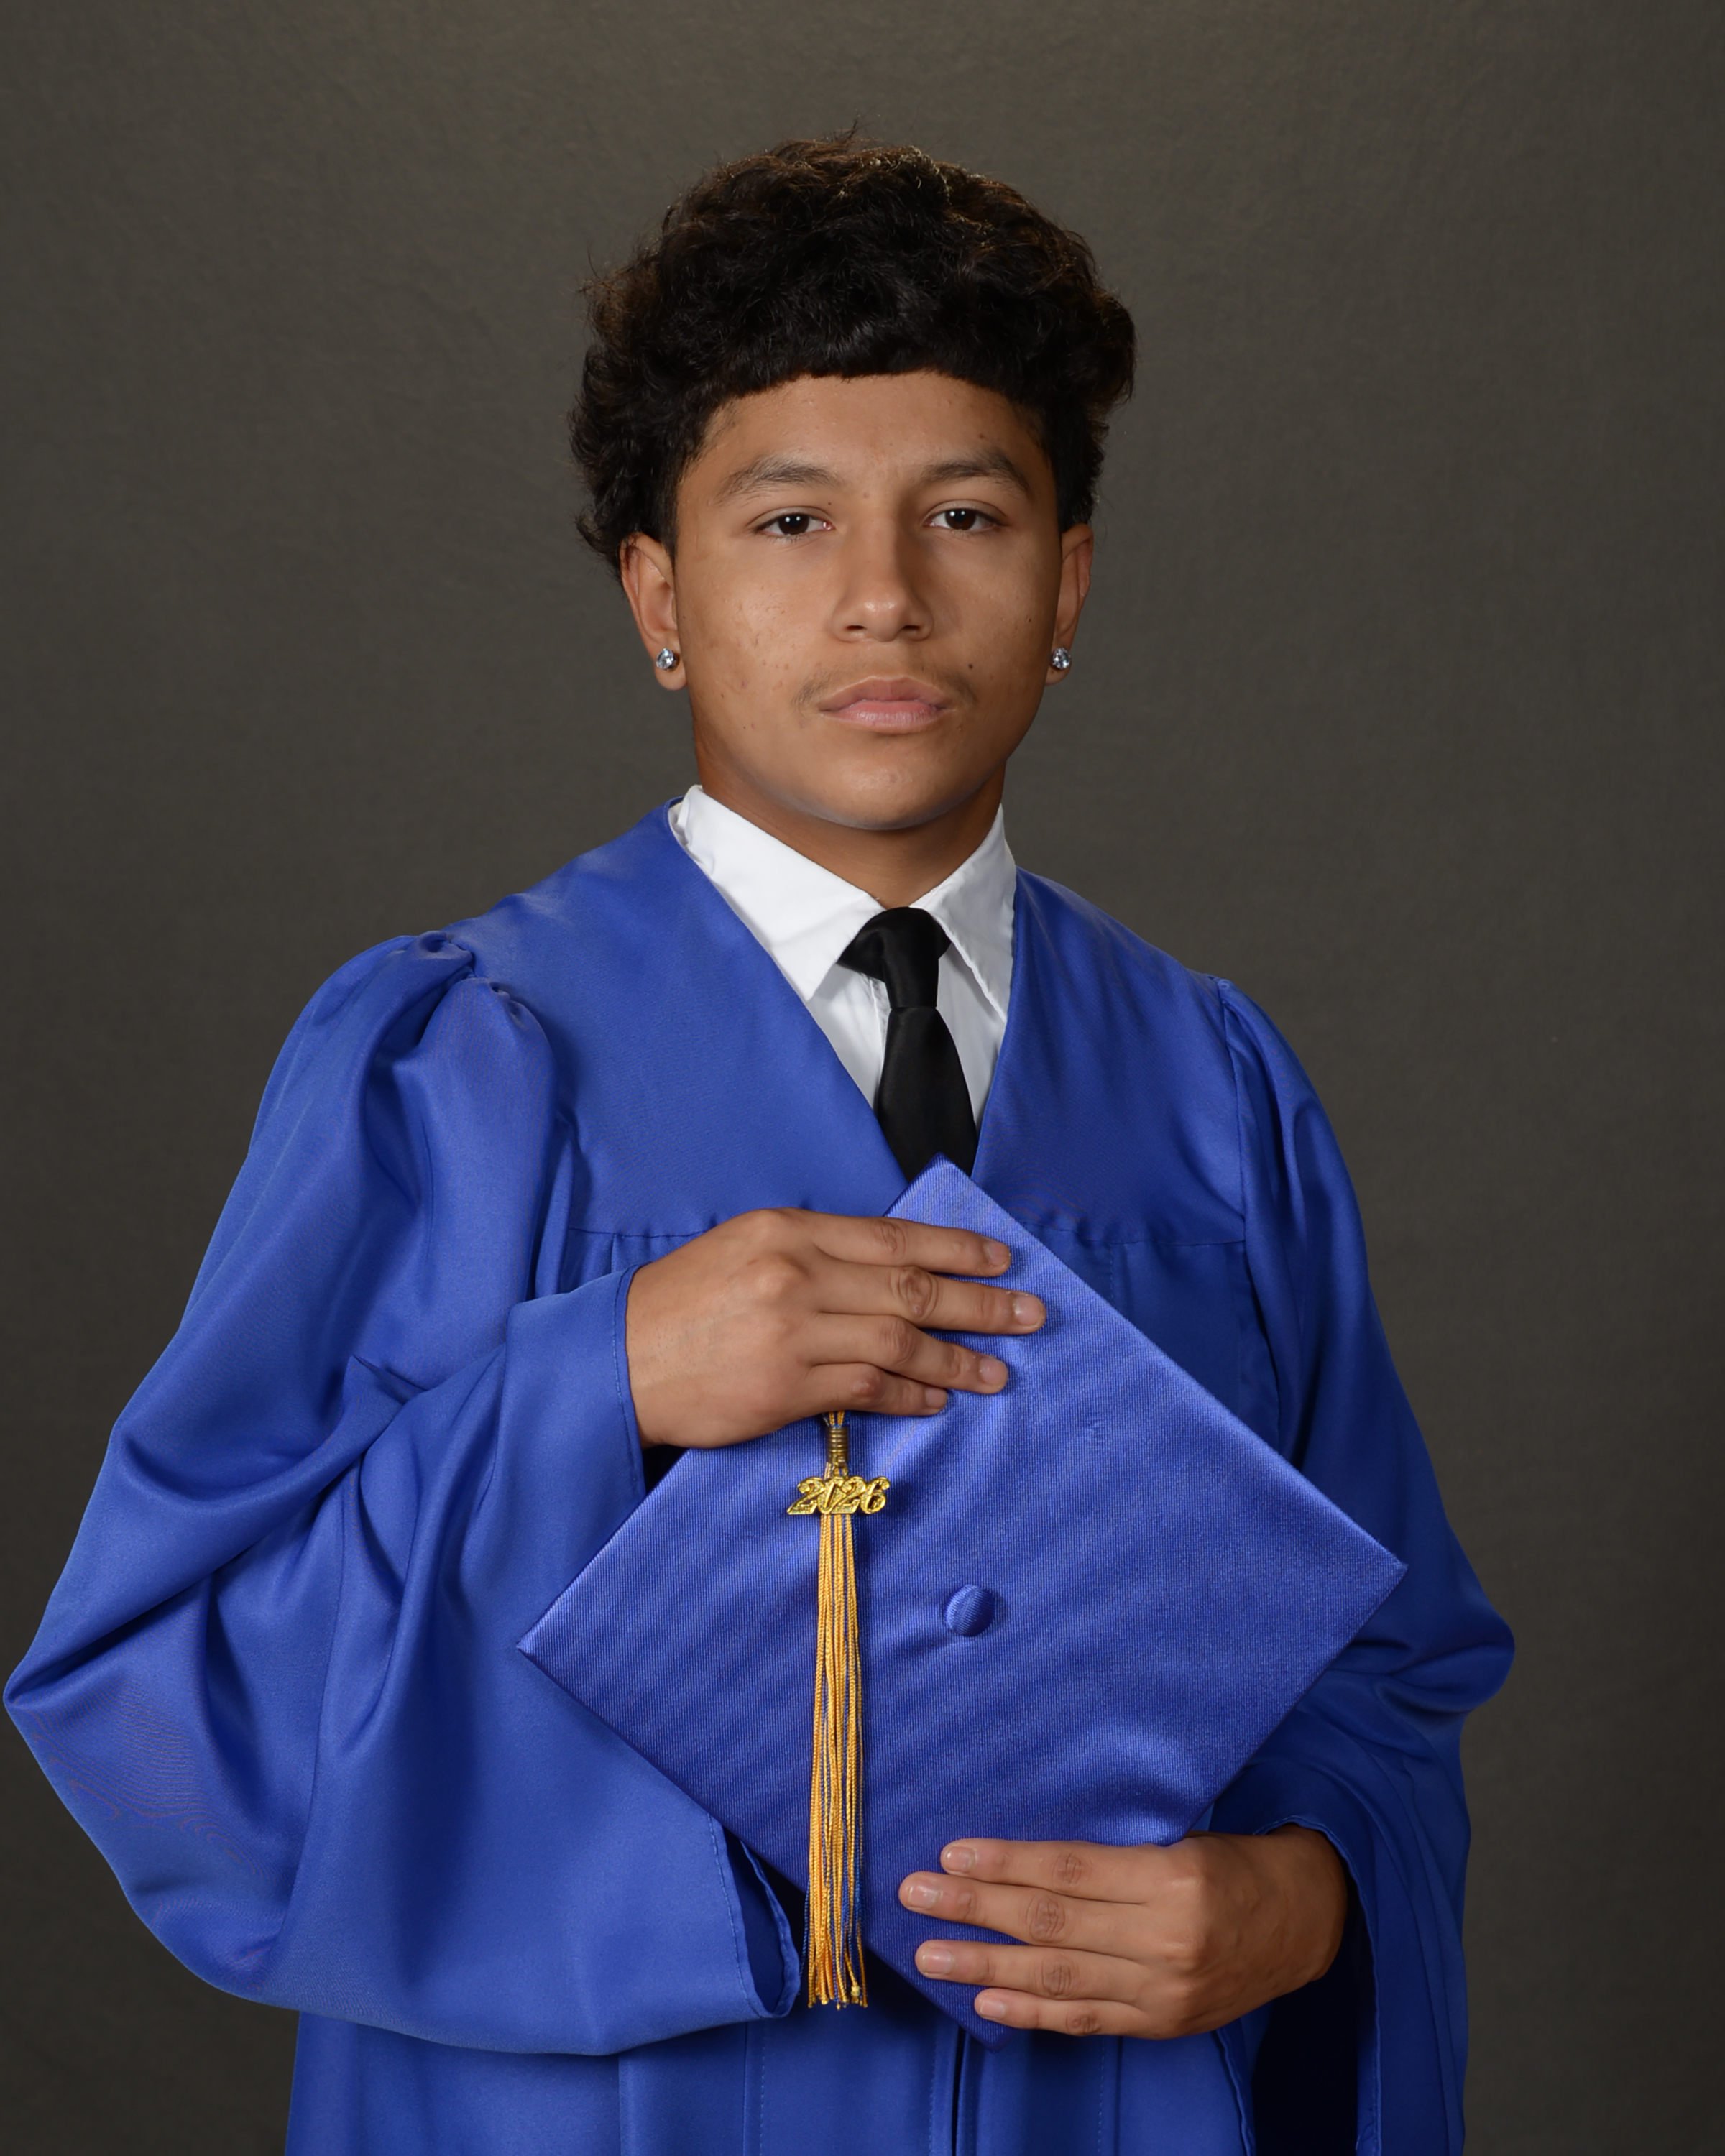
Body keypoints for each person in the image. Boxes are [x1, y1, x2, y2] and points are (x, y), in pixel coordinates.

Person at [6, 137, 1512, 2155]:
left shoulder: (1213, 1094)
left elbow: (1384, 1669)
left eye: (966, 514)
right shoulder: (460, 1068)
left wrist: (1300, 1895)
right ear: (659, 594)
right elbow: (169, 1691)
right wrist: (594, 1379)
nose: (885, 596)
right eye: (789, 520)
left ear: (1067, 582)